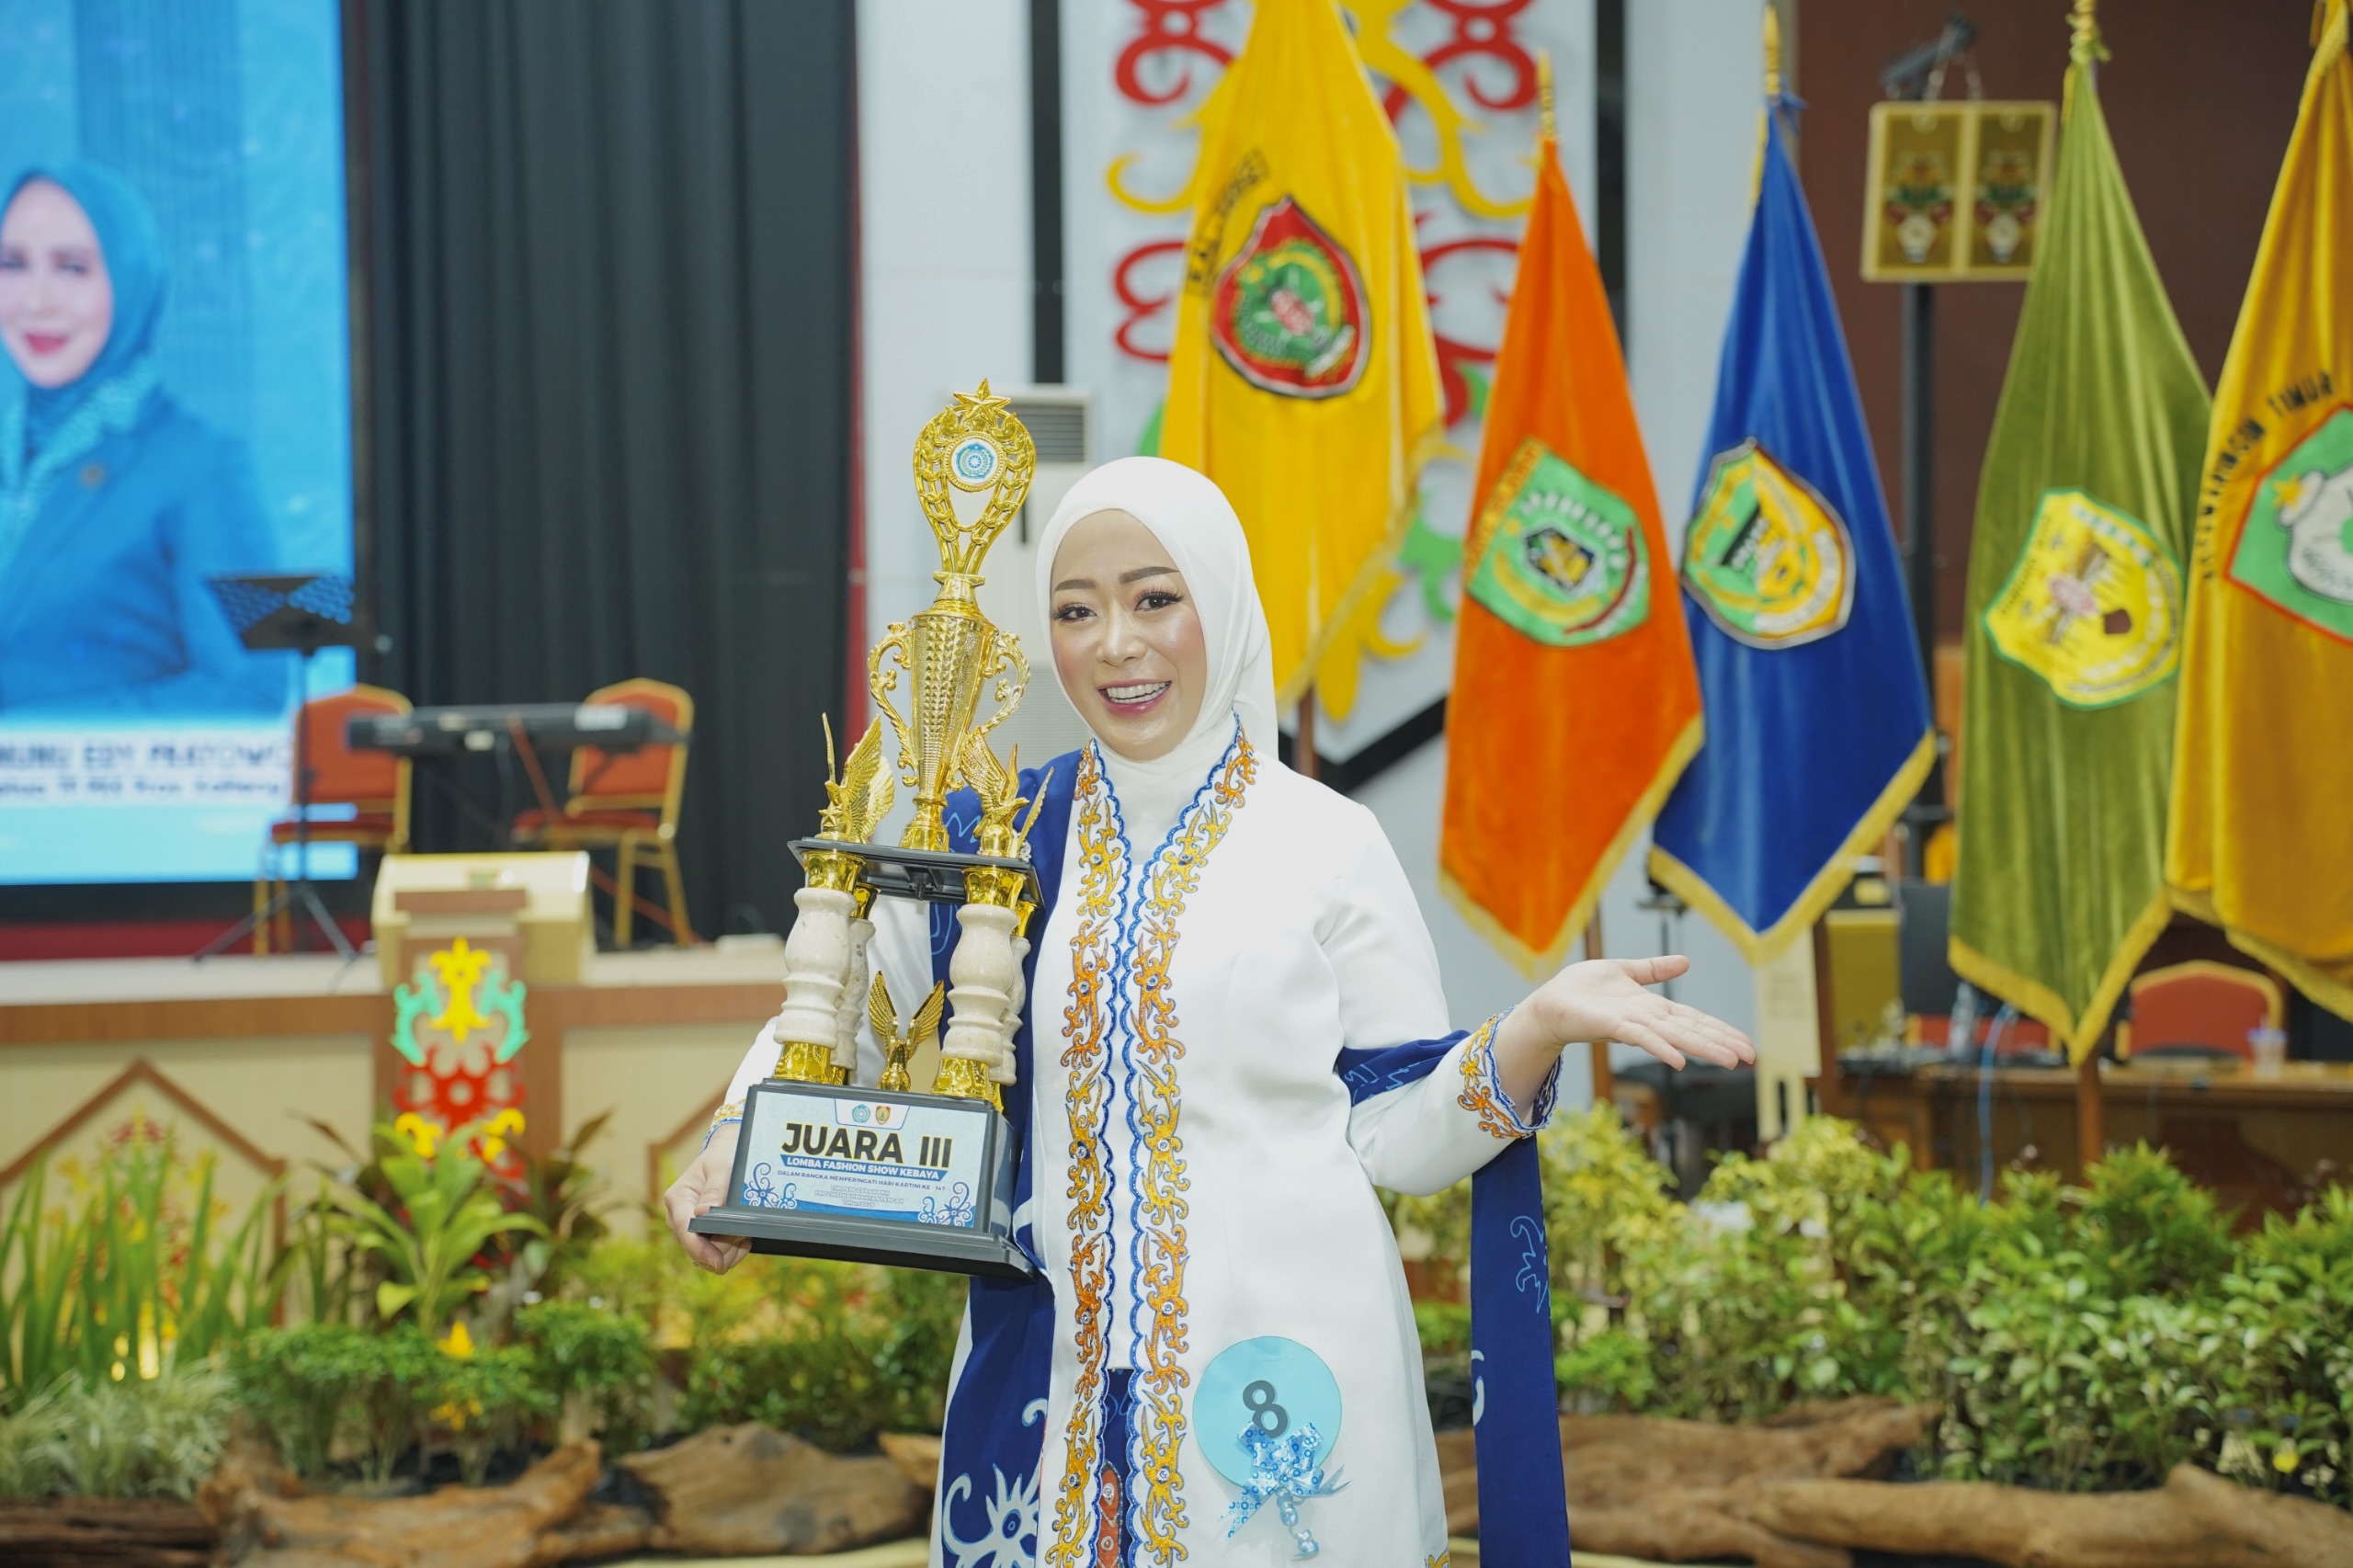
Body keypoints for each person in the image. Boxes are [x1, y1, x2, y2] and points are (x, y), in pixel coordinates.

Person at [667, 457, 1754, 1565]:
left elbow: (1398, 1133)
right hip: (1047, 1382)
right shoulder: (996, 831)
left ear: (1223, 604)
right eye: (1075, 610)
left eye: (1154, 598)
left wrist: (1534, 1027)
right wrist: (733, 1141)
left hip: (1284, 1393)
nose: (1115, 644)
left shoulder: (1324, 841)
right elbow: (836, 1015)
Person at [0, 162, 282, 713]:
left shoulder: (209, 463)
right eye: (13, 264)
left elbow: (252, 693)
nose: (36, 300)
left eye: (72, 268)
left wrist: (24, 741)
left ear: (131, 280)